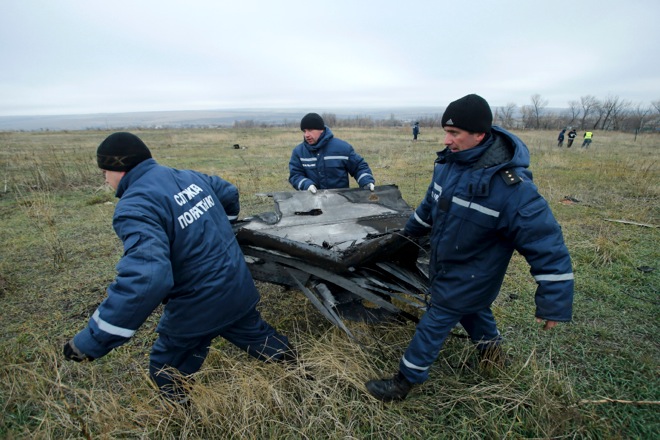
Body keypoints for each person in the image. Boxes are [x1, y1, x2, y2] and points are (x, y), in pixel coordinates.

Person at [365, 94, 574, 402]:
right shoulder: (448, 165)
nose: (446, 140)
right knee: (474, 311)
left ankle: (403, 382)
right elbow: (430, 206)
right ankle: (493, 355)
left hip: (473, 274)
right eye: (446, 132)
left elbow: (547, 244)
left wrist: (554, 303)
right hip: (447, 266)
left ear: (480, 134)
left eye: (455, 134)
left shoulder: (513, 190)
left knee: (435, 322)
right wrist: (407, 236)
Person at [63, 132, 295, 403]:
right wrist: (225, 226)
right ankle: (300, 372)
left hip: (198, 304)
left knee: (166, 366)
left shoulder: (135, 206)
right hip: (235, 284)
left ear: (118, 168)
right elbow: (228, 191)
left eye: (105, 171)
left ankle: (181, 417)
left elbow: (147, 277)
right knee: (254, 333)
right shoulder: (188, 177)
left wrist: (91, 341)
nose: (105, 179)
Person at [288, 113, 375, 194]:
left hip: (341, 201)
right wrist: (307, 185)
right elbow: (295, 175)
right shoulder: (299, 152)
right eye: (304, 131)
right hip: (312, 203)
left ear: (321, 130)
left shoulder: (343, 148)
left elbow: (359, 167)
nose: (306, 135)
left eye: (310, 130)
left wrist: (366, 182)